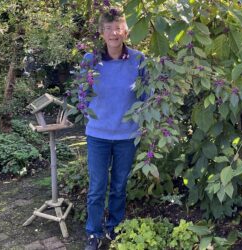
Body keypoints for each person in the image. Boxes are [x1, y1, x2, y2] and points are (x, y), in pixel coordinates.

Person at [82, 9, 147, 250]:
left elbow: (146, 96)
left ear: (126, 31)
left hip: (126, 135)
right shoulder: (90, 60)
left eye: (118, 27)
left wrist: (144, 125)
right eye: (108, 28)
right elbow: (82, 93)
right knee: (97, 187)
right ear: (102, 32)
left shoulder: (139, 60)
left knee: (119, 185)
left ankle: (114, 227)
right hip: (98, 135)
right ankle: (93, 232)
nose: (114, 33)